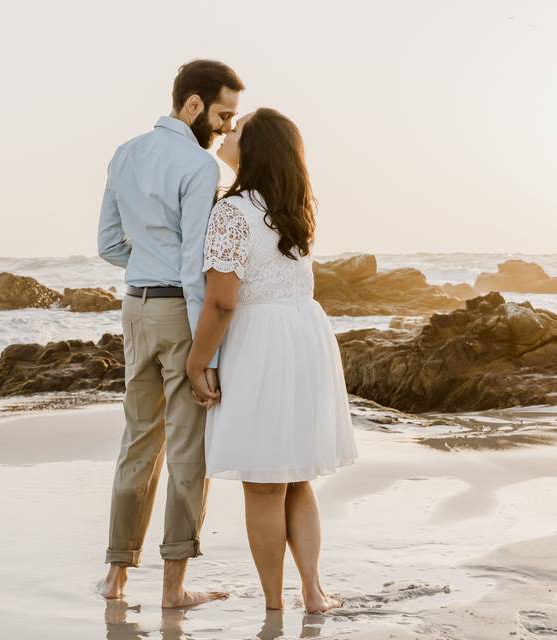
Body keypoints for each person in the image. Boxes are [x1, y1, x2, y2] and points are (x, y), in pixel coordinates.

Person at [185, 108, 358, 613]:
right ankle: (312, 591)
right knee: (297, 476)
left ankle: (274, 604)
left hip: (260, 344)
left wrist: (198, 361)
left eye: (236, 131)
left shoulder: (231, 212)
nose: (225, 134)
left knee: (263, 483)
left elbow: (221, 301)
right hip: (303, 338)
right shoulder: (294, 208)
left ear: (254, 148)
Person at [96, 59, 244, 608]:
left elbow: (109, 245)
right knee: (188, 449)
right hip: (178, 312)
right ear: (193, 105)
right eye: (224, 114)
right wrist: (207, 354)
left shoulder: (125, 153)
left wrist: (147, 255)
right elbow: (192, 265)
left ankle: (115, 578)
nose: (228, 127)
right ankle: (174, 588)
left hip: (133, 309)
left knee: (137, 442)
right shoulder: (200, 166)